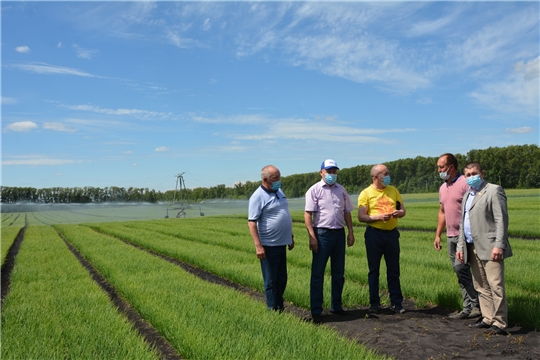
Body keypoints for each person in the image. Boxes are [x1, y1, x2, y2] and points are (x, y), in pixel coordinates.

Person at [456, 162, 512, 335]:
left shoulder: (494, 190)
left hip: (490, 246)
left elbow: (501, 220)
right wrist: (460, 246)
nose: (471, 177)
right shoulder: (467, 195)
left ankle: (500, 322)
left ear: (482, 173)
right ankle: (488, 318)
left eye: (474, 173)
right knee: (480, 285)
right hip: (471, 246)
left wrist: (499, 245)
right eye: (467, 174)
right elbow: (462, 223)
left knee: (495, 285)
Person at [304, 159, 355, 322]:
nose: (332, 174)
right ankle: (316, 311)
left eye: (334, 171)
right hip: (322, 234)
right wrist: (312, 236)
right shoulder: (314, 190)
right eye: (329, 171)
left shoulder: (341, 190)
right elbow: (308, 214)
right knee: (318, 273)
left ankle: (336, 306)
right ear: (321, 172)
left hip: (339, 234)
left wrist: (350, 232)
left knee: (338, 273)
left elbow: (347, 212)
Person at [434, 153, 481, 319]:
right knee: (459, 273)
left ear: (451, 167)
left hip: (465, 236)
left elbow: (475, 206)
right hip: (450, 235)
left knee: (461, 269)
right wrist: (438, 234)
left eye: (441, 167)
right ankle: (467, 308)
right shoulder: (443, 187)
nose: (439, 170)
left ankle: (477, 305)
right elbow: (442, 213)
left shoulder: (464, 183)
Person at [357, 164, 406, 314]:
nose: (388, 175)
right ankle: (374, 303)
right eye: (385, 173)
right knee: (374, 270)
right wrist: (378, 217)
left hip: (391, 234)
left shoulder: (394, 190)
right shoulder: (365, 193)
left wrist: (399, 213)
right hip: (374, 235)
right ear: (376, 177)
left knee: (394, 270)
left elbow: (403, 210)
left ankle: (396, 303)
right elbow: (361, 216)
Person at [248, 165, 294, 311]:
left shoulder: (279, 191)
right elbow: (252, 223)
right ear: (265, 179)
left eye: (279, 177)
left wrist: (290, 236)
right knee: (271, 281)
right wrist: (258, 246)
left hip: (282, 243)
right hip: (269, 245)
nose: (278, 180)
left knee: (282, 279)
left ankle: (279, 307)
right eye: (275, 178)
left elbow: (283, 213)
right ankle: (272, 309)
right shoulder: (257, 197)